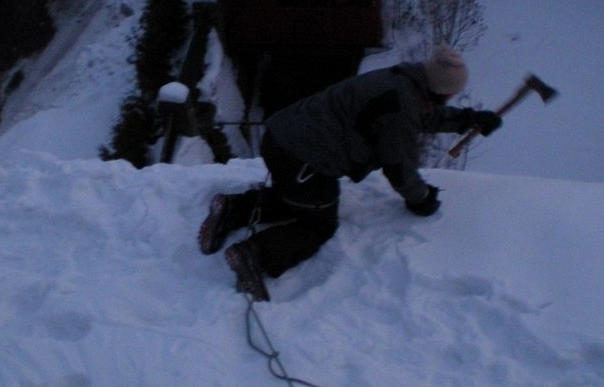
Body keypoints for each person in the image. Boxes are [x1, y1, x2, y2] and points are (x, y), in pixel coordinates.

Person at [198, 45, 502, 300]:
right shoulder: (402, 105)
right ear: (443, 91)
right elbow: (399, 167)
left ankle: (232, 207)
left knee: (301, 199)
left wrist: (468, 119)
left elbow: (421, 116)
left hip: (282, 138)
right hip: (303, 160)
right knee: (319, 224)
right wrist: (421, 199)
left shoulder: (402, 80)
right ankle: (255, 254)